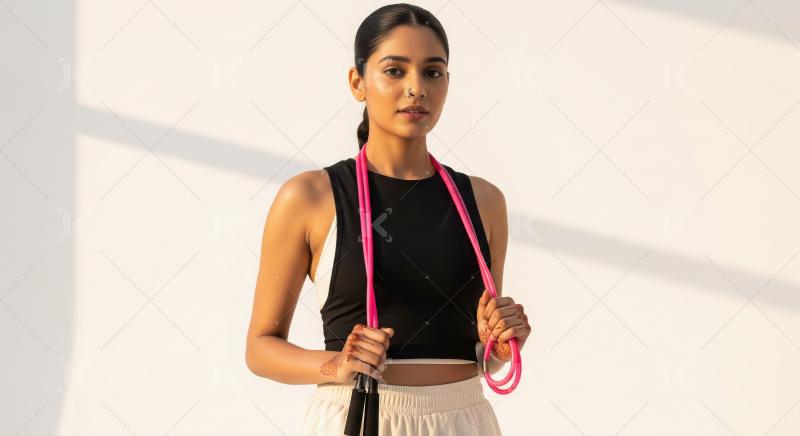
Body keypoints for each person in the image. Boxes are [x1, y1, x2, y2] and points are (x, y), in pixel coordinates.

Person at [245, 3, 532, 435]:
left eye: (432, 72)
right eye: (395, 71)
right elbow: (260, 348)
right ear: (357, 82)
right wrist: (337, 365)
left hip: (464, 419)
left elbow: (478, 350)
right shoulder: (310, 197)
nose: (416, 88)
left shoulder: (484, 201)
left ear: (448, 84)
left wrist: (502, 344)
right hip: (360, 417)